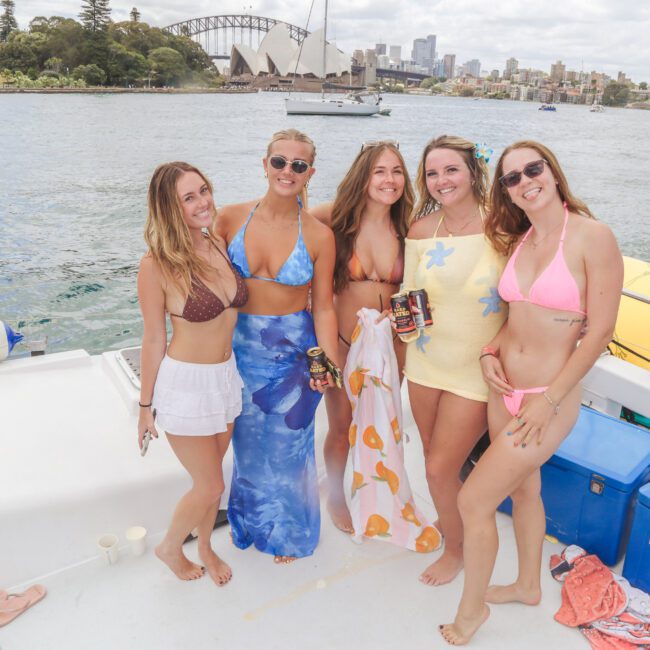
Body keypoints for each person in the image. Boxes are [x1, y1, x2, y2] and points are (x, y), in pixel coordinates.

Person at [439, 141, 623, 645]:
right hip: (504, 390)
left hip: (548, 395)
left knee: (474, 501)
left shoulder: (593, 237)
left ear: (553, 172)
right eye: (511, 178)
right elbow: (514, 319)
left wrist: (550, 401)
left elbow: (601, 332)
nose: (524, 182)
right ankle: (527, 585)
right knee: (525, 488)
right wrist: (487, 353)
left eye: (532, 169)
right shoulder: (521, 240)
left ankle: (471, 612)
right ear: (506, 192)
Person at [216, 128, 338, 564]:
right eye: (279, 162)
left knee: (290, 449)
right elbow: (204, 282)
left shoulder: (320, 235)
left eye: (298, 165)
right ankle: (248, 524)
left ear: (310, 173)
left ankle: (289, 530)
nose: (288, 171)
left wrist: (327, 363)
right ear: (264, 164)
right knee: (245, 445)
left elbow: (323, 308)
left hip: (293, 355)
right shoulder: (229, 218)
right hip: (237, 349)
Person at [401, 135, 508, 586]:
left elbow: (523, 303)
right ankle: (455, 528)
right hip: (424, 363)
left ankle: (457, 547)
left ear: (472, 171)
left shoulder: (505, 227)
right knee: (432, 457)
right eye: (432, 173)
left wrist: (493, 349)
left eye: (451, 170)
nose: (441, 181)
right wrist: (401, 322)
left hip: (475, 369)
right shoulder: (421, 231)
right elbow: (408, 296)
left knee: (440, 466)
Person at [137, 161, 248, 586]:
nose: (203, 202)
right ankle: (170, 547)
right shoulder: (156, 265)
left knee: (214, 480)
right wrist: (145, 408)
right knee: (209, 486)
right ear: (170, 208)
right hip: (185, 386)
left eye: (204, 190)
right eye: (189, 197)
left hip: (224, 378)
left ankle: (204, 546)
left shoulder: (217, 240)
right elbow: (153, 340)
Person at [311, 140, 415, 534]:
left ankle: (373, 485)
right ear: (363, 176)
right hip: (341, 341)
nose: (389, 180)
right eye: (380, 171)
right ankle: (335, 495)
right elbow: (282, 224)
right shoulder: (332, 218)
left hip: (389, 349)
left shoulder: (410, 229)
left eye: (397, 171)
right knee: (342, 427)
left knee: (379, 422)